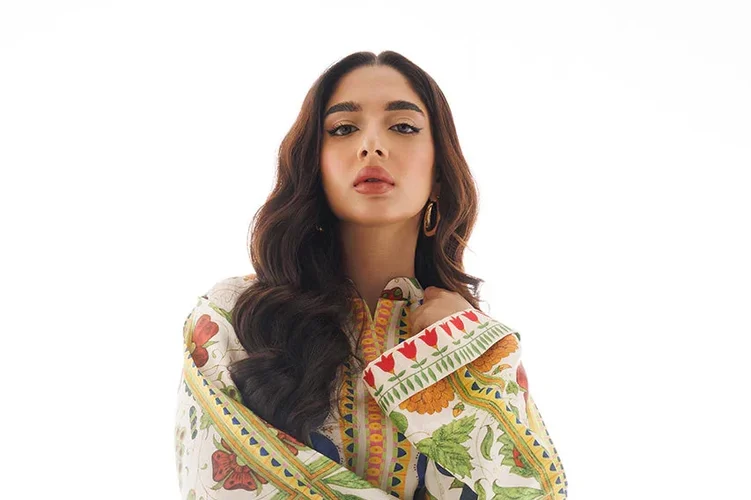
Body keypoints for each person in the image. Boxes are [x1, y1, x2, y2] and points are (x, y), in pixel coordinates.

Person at [174, 50, 567, 500]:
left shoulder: (472, 341)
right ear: (314, 166)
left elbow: (534, 492)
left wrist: (462, 352)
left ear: (439, 173)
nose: (372, 145)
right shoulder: (233, 318)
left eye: (403, 127)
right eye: (344, 128)